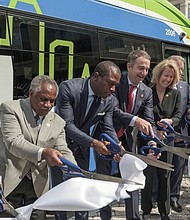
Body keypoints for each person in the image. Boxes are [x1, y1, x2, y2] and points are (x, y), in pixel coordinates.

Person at [55, 60, 155, 220]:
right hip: (59, 149)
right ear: (96, 76)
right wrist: (94, 143)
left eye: (116, 85)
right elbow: (66, 125)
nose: (113, 89)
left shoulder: (109, 100)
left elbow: (107, 126)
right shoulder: (69, 89)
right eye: (110, 83)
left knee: (82, 194)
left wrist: (115, 146)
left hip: (82, 149)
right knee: (61, 195)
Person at [0, 75, 76, 220]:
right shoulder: (10, 109)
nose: (48, 105)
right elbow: (13, 142)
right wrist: (44, 153)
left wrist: (75, 170)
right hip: (9, 180)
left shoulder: (58, 122)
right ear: (31, 94)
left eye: (52, 101)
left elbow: (63, 149)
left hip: (37, 185)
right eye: (43, 99)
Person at [96, 50, 156, 220]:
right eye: (140, 68)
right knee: (104, 180)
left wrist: (152, 142)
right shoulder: (115, 82)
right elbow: (112, 111)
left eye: (146, 69)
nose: (144, 73)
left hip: (129, 139)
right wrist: (135, 120)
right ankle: (105, 216)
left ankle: (134, 217)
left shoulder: (146, 91)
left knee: (133, 180)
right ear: (129, 66)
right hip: (106, 136)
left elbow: (149, 119)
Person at [141, 59, 181, 220]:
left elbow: (178, 115)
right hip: (148, 138)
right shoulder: (147, 91)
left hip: (167, 141)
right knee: (148, 175)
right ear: (158, 74)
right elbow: (143, 114)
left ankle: (164, 211)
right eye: (166, 75)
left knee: (165, 175)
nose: (168, 79)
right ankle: (145, 210)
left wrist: (170, 121)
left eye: (171, 77)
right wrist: (155, 131)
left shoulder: (175, 94)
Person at [167, 55, 190, 212]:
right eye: (178, 69)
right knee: (162, 168)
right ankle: (158, 195)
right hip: (164, 134)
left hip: (182, 133)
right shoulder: (161, 84)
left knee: (179, 168)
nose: (180, 72)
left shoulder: (185, 86)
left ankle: (174, 197)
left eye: (182, 69)